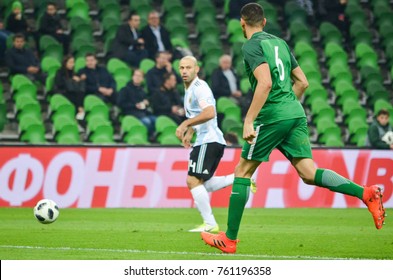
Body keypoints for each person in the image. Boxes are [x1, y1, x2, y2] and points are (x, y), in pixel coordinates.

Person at [201, 3, 386, 254]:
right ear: (264, 22)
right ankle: (366, 193)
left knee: (242, 171)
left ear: (242, 23)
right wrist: (288, 112)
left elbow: (264, 84)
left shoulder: (251, 45)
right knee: (309, 173)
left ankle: (230, 239)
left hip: (271, 115)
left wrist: (249, 120)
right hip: (295, 112)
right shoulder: (280, 43)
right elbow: (303, 82)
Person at [175, 56, 256, 233]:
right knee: (205, 184)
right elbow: (200, 116)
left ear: (197, 69)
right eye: (181, 68)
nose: (184, 71)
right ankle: (242, 178)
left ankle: (210, 223)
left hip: (209, 140)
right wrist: (191, 131)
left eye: (188, 67)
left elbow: (210, 112)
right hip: (206, 140)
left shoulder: (199, 88)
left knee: (192, 180)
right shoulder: (189, 90)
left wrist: (185, 124)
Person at [117, 69, 156, 138]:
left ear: (142, 79)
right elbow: (120, 104)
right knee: (146, 122)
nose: (137, 77)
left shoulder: (143, 91)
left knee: (155, 120)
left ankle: (150, 137)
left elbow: (146, 103)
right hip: (130, 113)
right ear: (132, 77)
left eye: (140, 76)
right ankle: (145, 137)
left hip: (142, 112)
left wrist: (146, 103)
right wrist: (134, 105)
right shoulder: (125, 89)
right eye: (136, 75)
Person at [53, 55, 86, 120]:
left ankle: (79, 111)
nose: (72, 64)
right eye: (70, 62)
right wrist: (71, 80)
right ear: (65, 63)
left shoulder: (74, 73)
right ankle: (79, 110)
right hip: (62, 92)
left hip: (72, 92)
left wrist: (79, 80)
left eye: (73, 62)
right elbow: (59, 84)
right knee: (74, 97)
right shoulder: (60, 72)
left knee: (81, 93)